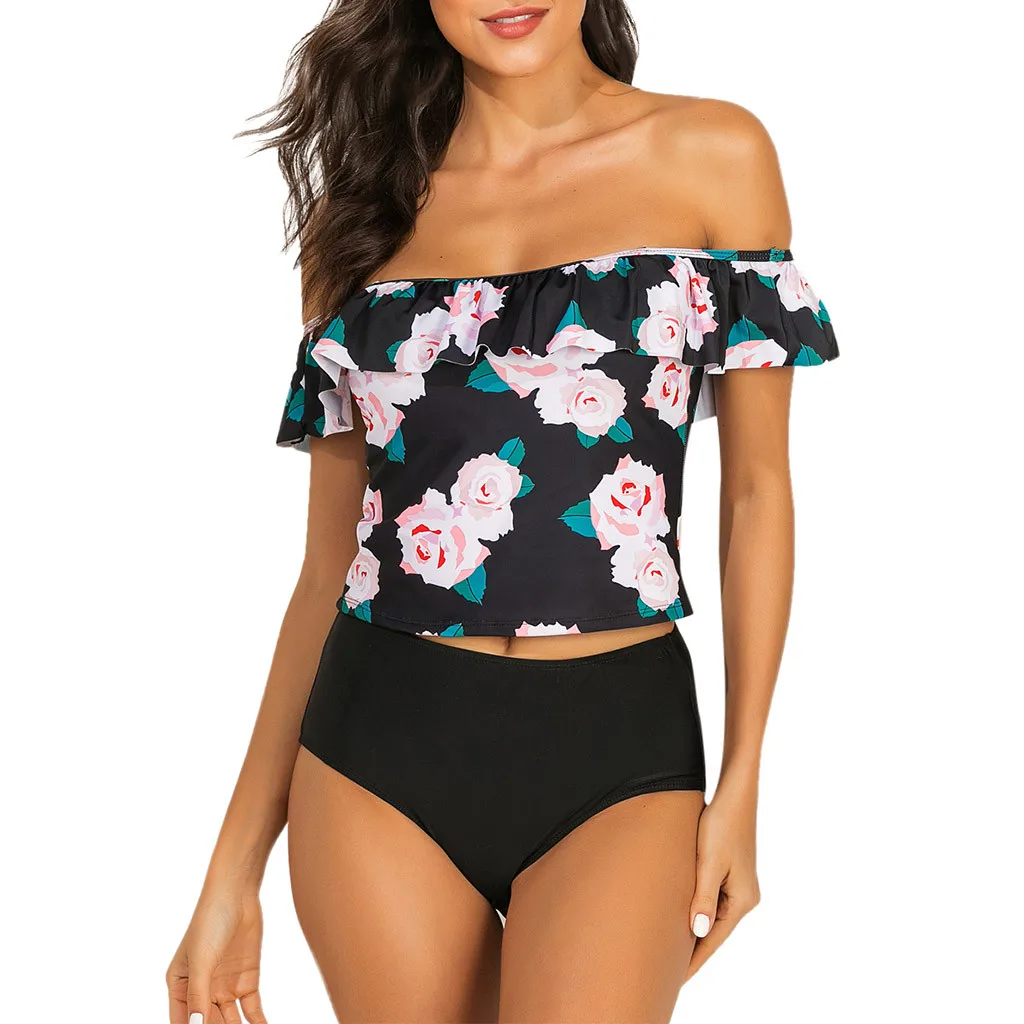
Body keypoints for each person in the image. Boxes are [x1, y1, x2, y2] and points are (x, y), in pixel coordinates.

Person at [166, 2, 839, 1021]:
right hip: (376, 756)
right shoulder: (363, 214)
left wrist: (744, 777)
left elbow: (757, 493)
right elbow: (327, 569)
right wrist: (232, 869)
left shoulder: (712, 155)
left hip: (618, 750)